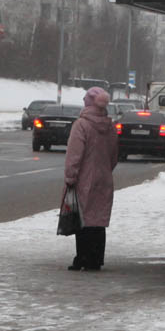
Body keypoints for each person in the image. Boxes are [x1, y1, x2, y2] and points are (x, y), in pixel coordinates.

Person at [64, 86, 119, 271]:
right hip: (104, 178)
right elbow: (114, 155)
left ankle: (82, 258)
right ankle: (96, 259)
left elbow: (74, 154)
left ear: (87, 103)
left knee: (83, 219)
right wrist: (104, 170)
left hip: (84, 179)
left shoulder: (81, 125)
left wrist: (70, 176)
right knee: (99, 220)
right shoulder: (109, 125)